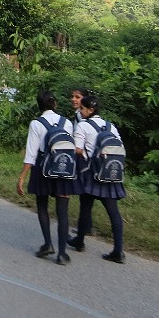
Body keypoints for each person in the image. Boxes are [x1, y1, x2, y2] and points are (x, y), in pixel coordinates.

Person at [16, 90, 80, 264]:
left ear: (39, 105)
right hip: (64, 169)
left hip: (42, 169)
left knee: (42, 206)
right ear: (55, 104)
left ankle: (47, 244)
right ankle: (61, 254)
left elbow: (31, 154)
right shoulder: (66, 122)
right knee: (63, 212)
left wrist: (22, 177)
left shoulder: (36, 124)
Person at [67, 94, 127, 263]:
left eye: (82, 108)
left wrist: (84, 155)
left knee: (85, 205)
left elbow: (77, 149)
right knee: (113, 211)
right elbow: (120, 147)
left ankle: (79, 241)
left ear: (90, 110)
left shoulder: (83, 126)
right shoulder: (110, 126)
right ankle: (118, 250)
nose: (80, 110)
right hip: (109, 173)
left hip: (90, 172)